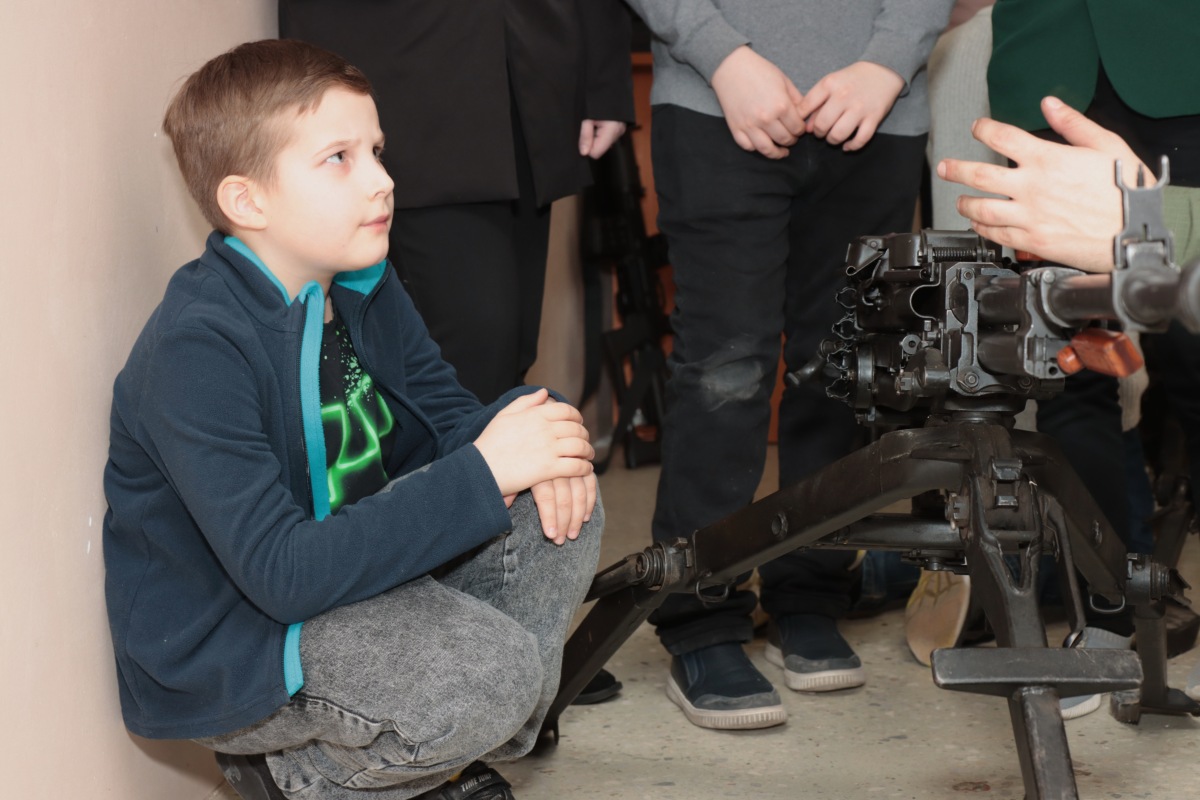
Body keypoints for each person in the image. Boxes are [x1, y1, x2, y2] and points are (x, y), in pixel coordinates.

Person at [102, 40, 603, 800]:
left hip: (353, 577)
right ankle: (305, 776)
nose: (382, 180)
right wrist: (490, 467)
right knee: (494, 674)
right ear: (247, 201)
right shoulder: (198, 347)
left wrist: (542, 427)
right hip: (248, 643)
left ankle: (446, 749)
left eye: (376, 150)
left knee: (561, 490)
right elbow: (283, 575)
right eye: (339, 158)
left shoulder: (362, 280)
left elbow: (447, 424)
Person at [622, 0, 955, 730]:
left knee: (841, 369)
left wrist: (886, 63)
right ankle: (701, 616)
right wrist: (722, 55)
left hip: (876, 110)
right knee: (726, 372)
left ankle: (810, 593)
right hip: (717, 102)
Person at [938, 94, 1200, 704]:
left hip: (1180, 89)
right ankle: (1103, 615)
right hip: (1053, 83)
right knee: (1062, 376)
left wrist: (1162, 221)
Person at [277, 1, 635, 405]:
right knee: (471, 352)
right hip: (409, 69)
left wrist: (604, 75)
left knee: (510, 354)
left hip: (530, 68)